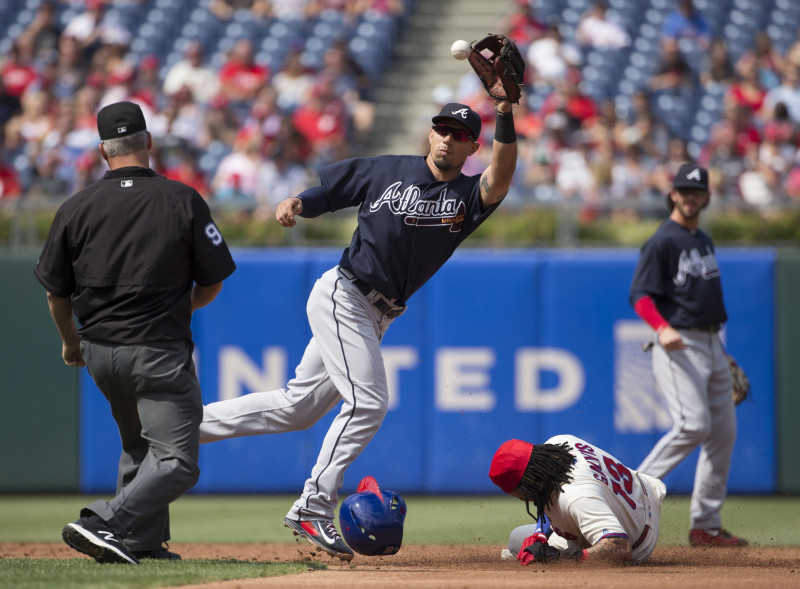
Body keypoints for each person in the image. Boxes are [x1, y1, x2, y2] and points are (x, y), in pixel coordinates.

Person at [199, 96, 520, 561]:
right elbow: (332, 192)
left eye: (460, 134)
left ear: (473, 146)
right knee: (369, 402)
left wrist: (506, 113)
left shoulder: (469, 197)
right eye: (442, 129)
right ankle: (313, 506)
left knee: (297, 408)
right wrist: (297, 202)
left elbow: (502, 174)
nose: (448, 138)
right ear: (430, 133)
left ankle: (183, 428)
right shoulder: (388, 168)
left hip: (378, 313)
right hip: (345, 293)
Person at [33, 101, 236, 564]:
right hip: (157, 349)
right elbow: (213, 281)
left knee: (139, 448)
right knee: (179, 461)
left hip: (100, 353)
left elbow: (55, 294)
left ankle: (140, 541)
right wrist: (181, 305)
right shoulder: (182, 199)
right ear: (149, 142)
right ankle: (104, 523)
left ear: (104, 151)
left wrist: (70, 342)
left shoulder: (76, 206)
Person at [628, 163, 748, 547]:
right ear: (673, 195)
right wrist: (662, 328)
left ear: (706, 197)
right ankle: (626, 496)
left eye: (697, 191)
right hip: (679, 343)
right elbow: (640, 295)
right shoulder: (663, 240)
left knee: (723, 434)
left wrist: (723, 355)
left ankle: (706, 526)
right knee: (693, 425)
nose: (690, 196)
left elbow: (706, 303)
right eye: (684, 190)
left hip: (713, 343)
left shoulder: (703, 240)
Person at [489, 435, 666, 564]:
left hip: (639, 540)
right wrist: (540, 534)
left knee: (526, 548)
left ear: (529, 483)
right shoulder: (559, 444)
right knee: (520, 539)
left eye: (518, 493)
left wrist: (564, 558)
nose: (519, 498)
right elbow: (547, 496)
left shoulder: (576, 497)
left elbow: (620, 546)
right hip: (639, 492)